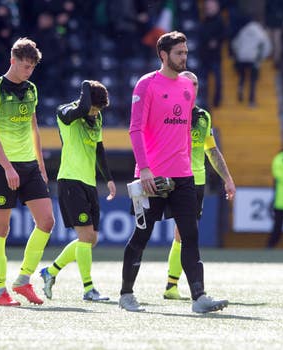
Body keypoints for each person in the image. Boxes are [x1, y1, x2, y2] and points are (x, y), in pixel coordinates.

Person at [119, 31, 228, 314]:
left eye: (186, 53)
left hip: (183, 176)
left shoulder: (187, 88)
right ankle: (126, 294)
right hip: (152, 177)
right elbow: (135, 129)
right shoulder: (146, 85)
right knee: (141, 236)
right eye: (179, 53)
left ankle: (199, 297)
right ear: (163, 55)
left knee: (190, 236)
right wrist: (143, 169)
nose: (184, 58)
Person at [0, 37, 55, 306]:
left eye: (32, 67)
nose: (28, 71)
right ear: (12, 61)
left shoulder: (32, 88)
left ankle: (23, 280)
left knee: (47, 222)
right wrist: (8, 167)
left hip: (30, 166)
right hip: (2, 167)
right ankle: (0, 291)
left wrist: (41, 165)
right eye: (25, 66)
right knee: (1, 229)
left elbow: (34, 127)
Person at [162, 70, 236, 300]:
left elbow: (211, 150)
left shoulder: (203, 117)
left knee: (183, 234)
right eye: (188, 83)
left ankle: (172, 286)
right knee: (159, 232)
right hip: (174, 178)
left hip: (197, 182)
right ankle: (132, 287)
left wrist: (228, 179)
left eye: (196, 84)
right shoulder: (169, 111)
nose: (193, 87)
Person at [39, 80, 115, 302]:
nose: (94, 113)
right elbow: (81, 109)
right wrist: (85, 87)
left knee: (91, 239)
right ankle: (89, 289)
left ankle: (50, 272)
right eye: (94, 107)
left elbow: (99, 149)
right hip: (70, 181)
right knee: (85, 237)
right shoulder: (65, 111)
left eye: (98, 110)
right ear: (86, 100)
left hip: (89, 182)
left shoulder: (96, 117)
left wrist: (108, 178)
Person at [230, 18, 272, 107]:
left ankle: (240, 89)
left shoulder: (243, 30)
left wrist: (238, 54)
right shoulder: (261, 33)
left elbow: (235, 43)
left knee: (242, 76)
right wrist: (261, 58)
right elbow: (267, 46)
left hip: (242, 57)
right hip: (253, 58)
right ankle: (251, 100)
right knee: (253, 80)